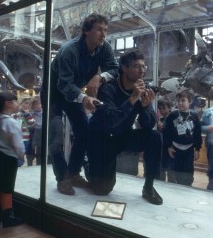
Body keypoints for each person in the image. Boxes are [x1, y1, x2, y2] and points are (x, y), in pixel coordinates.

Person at [48, 13, 119, 195]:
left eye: (106, 30)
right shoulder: (68, 51)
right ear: (86, 30)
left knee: (84, 133)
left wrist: (99, 77)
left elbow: (115, 69)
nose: (104, 34)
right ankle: (62, 178)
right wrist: (85, 98)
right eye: (99, 30)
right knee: (56, 138)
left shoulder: (104, 47)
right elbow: (63, 84)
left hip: (75, 94)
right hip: (53, 95)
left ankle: (73, 173)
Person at [87, 49, 163, 205]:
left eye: (143, 66)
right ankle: (88, 166)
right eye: (136, 66)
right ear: (124, 68)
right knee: (103, 189)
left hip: (122, 135)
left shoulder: (142, 87)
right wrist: (133, 98)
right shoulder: (108, 88)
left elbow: (149, 125)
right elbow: (111, 120)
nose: (142, 70)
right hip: (101, 139)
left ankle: (148, 187)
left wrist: (144, 106)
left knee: (155, 137)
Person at [0, 91, 26, 227]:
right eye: (16, 101)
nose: (18, 104)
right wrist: (21, 156)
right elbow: (18, 144)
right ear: (8, 104)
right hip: (7, 158)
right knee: (6, 188)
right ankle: (7, 217)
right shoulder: (11, 123)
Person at [163, 90, 202, 187]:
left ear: (190, 101)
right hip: (175, 148)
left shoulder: (194, 116)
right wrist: (168, 146)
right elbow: (167, 132)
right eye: (178, 101)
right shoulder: (172, 116)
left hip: (189, 149)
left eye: (183, 100)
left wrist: (197, 148)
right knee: (173, 172)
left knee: (188, 173)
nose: (180, 103)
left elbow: (197, 133)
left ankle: (187, 188)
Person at [157, 98, 175, 182]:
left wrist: (163, 128)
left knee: (171, 171)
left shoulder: (173, 119)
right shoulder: (159, 120)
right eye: (160, 109)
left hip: (171, 147)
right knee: (161, 170)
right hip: (161, 147)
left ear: (169, 108)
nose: (161, 111)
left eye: (164, 108)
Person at [15, 97, 35, 166]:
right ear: (20, 103)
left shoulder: (29, 114)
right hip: (17, 138)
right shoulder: (16, 113)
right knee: (18, 157)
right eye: (26, 103)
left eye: (29, 104)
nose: (27, 105)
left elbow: (32, 123)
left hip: (26, 138)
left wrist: (27, 114)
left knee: (22, 156)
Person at [30, 95, 42, 166]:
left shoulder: (45, 113)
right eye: (36, 104)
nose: (38, 106)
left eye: (40, 103)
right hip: (35, 136)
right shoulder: (31, 114)